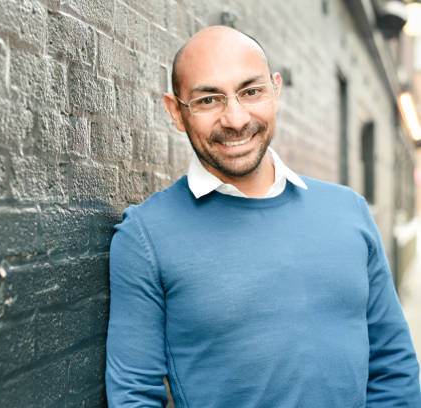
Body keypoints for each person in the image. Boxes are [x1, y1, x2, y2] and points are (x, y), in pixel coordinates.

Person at [105, 25, 421, 407]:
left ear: (275, 89)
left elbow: (393, 367)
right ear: (175, 112)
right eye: (208, 100)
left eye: (250, 92)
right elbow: (134, 395)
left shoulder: (348, 210)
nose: (236, 119)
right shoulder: (145, 236)